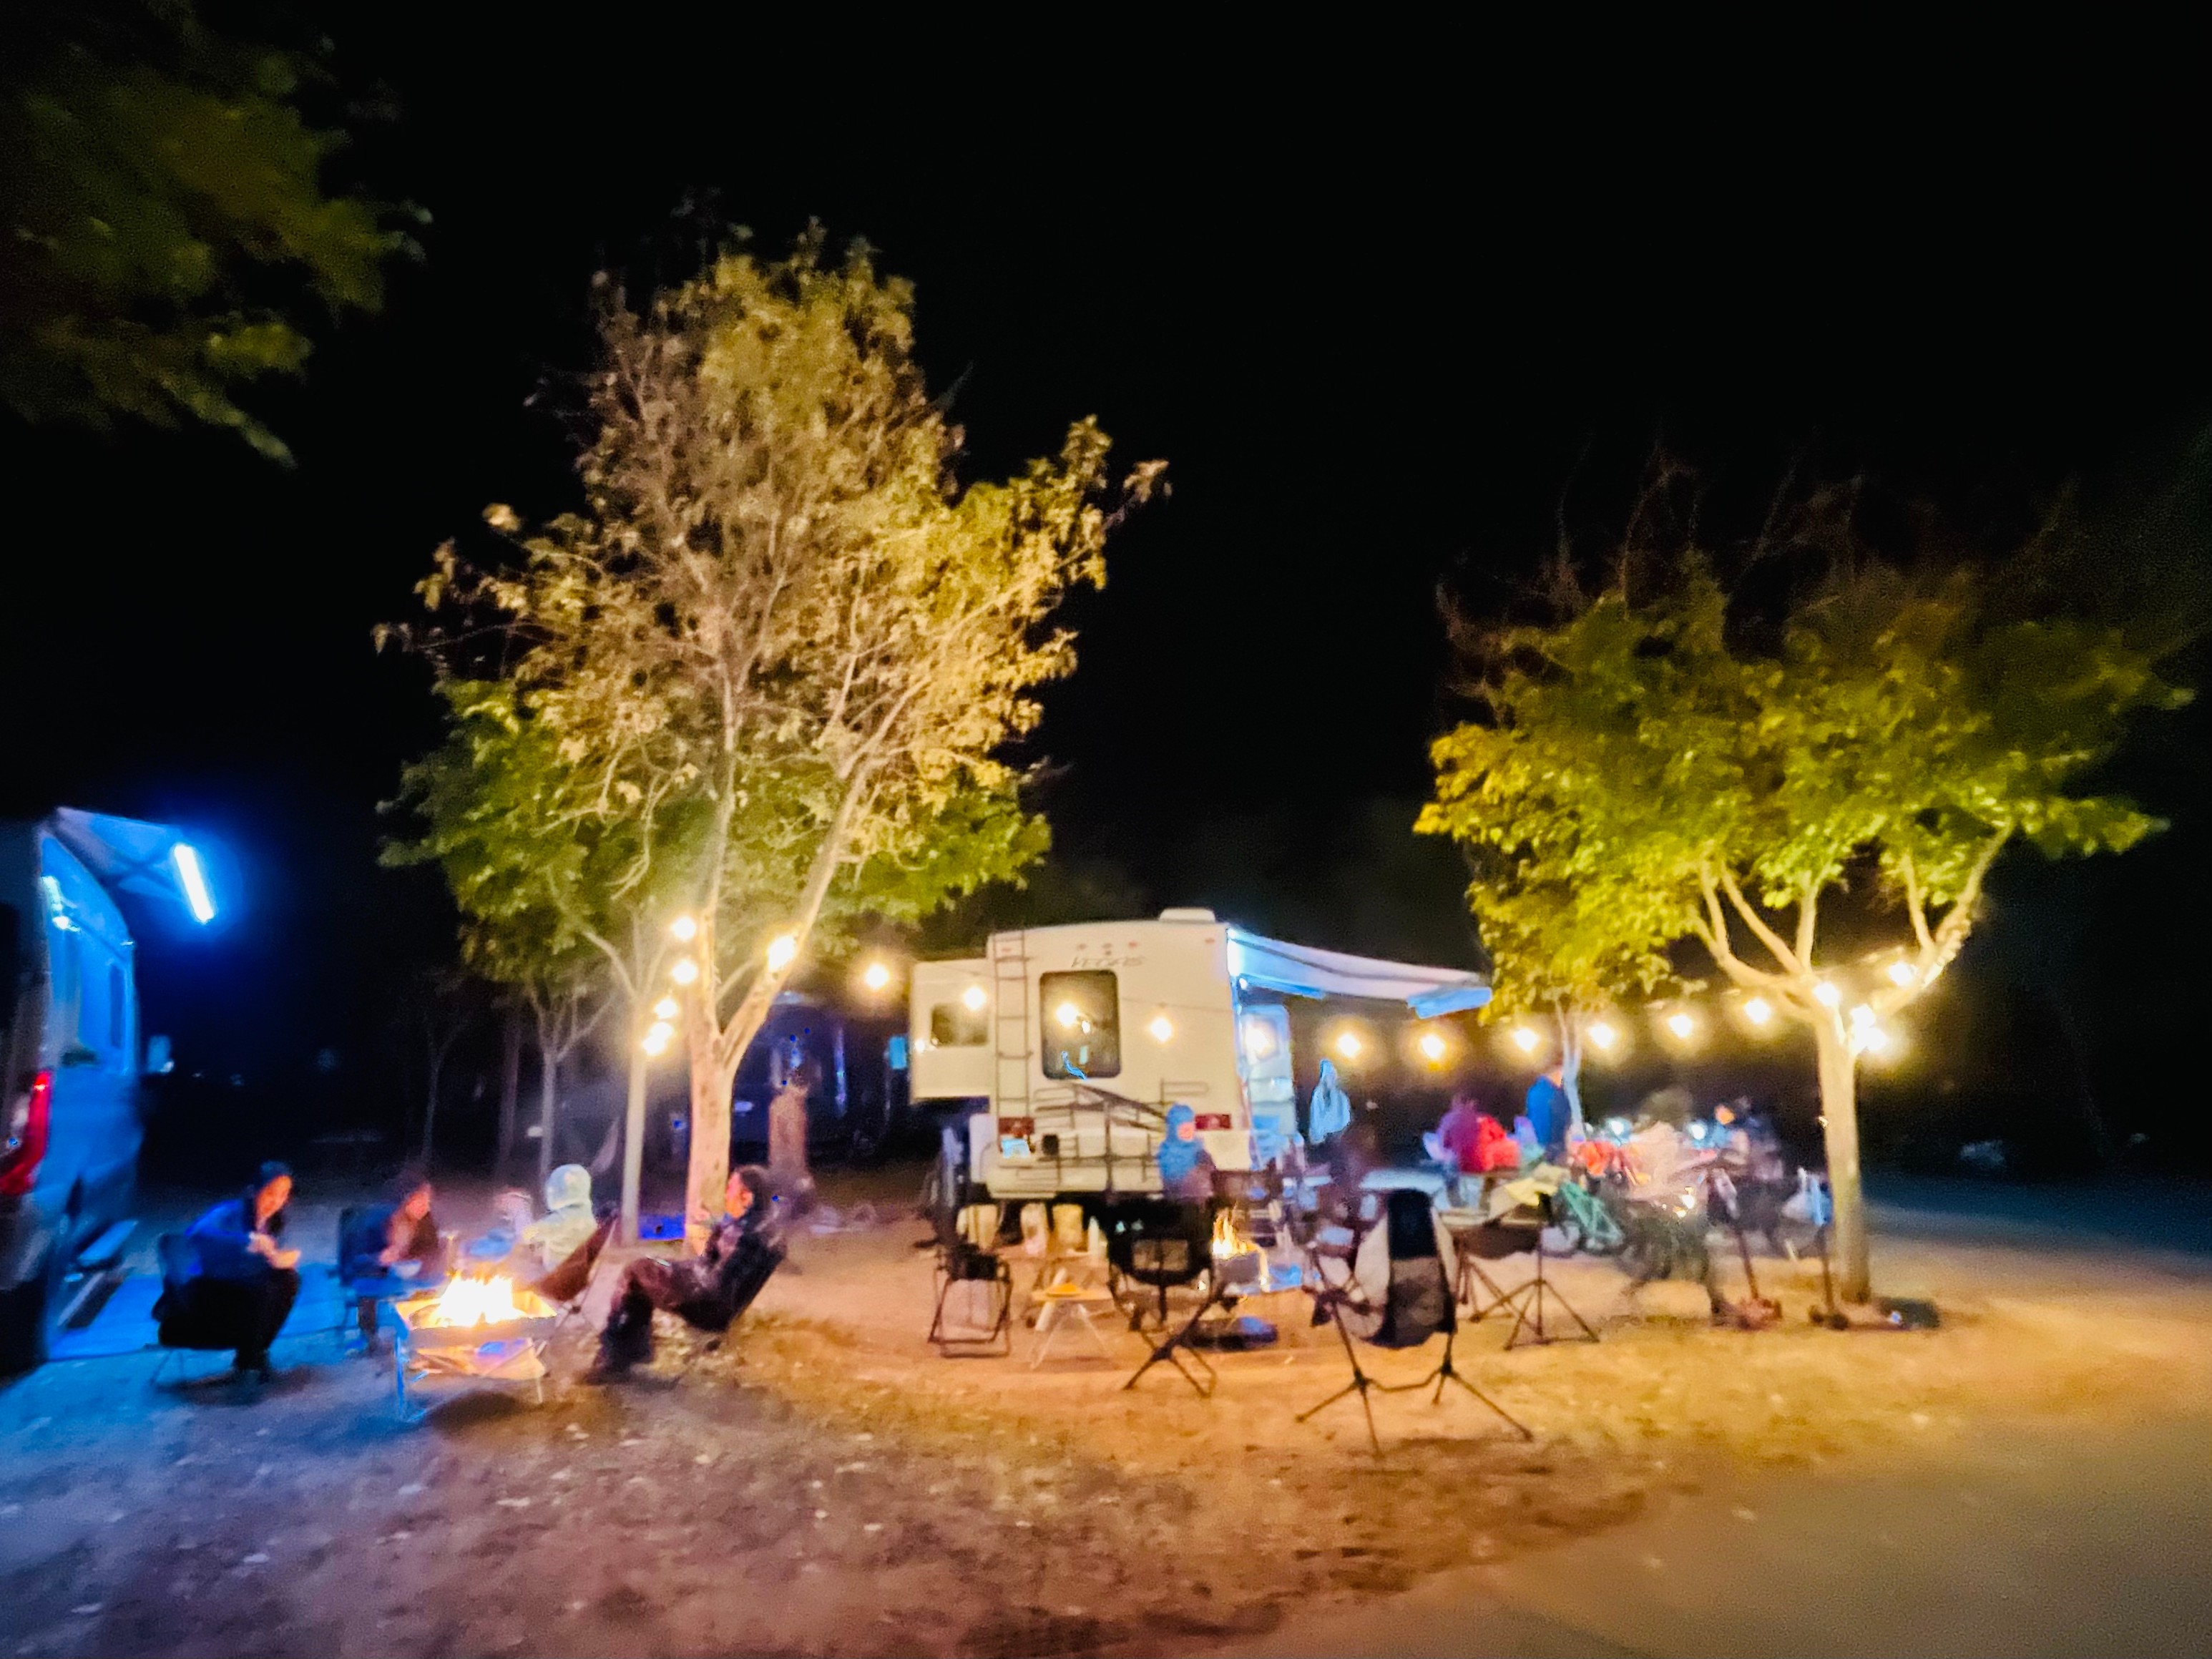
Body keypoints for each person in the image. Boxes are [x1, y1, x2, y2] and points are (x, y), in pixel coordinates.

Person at [588, 1166, 781, 1379]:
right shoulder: (770, 1230)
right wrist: (713, 1227)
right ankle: (635, 1344)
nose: (726, 1195)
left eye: (730, 1189)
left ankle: (618, 1357)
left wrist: (679, 1270)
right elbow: (732, 1254)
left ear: (746, 1197)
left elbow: (711, 1279)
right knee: (654, 1270)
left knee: (636, 1271)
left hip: (708, 1306)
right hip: (728, 1308)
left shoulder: (741, 1235)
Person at [162, 1162, 302, 1379]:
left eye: (283, 1195)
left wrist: (279, 1259)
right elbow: (198, 1233)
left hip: (241, 1288)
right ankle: (249, 1360)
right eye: (270, 1193)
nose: (276, 1201)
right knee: (261, 1288)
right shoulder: (230, 1212)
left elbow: (261, 1261)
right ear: (255, 1190)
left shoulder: (272, 1222)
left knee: (288, 1280)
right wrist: (246, 1240)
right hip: (207, 1289)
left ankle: (255, 1352)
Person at [339, 1170, 446, 1346]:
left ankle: (420, 1329)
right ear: (405, 1199)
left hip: (402, 1271)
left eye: (428, 1200)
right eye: (420, 1200)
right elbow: (353, 1261)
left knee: (433, 1279)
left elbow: (432, 1249)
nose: (426, 1206)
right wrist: (377, 1258)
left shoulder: (424, 1219)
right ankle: (368, 1336)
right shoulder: (377, 1221)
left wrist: (426, 1257)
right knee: (369, 1281)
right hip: (365, 1271)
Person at [516, 1163, 598, 1276]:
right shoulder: (588, 1217)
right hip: (581, 1269)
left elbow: (528, 1234)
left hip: (558, 1273)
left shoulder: (560, 1221)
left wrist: (519, 1210)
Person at [1156, 1103, 1216, 1203]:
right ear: (1173, 1130)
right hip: (1178, 1208)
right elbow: (1173, 1183)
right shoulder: (1167, 1153)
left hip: (1203, 1207)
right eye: (1183, 1129)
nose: (1188, 1132)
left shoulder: (1200, 1150)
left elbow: (1215, 1180)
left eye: (1190, 1127)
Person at [1434, 1093, 1485, 1206]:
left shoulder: (1449, 1118)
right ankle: (1483, 1203)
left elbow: (1444, 1142)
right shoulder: (1478, 1118)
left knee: (1449, 1172)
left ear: (1457, 1103)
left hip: (1457, 1160)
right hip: (1478, 1160)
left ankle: (1456, 1206)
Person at [1523, 1060, 1571, 1162]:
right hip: (1555, 1149)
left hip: (1538, 1149)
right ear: (1557, 1072)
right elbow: (1565, 1122)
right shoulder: (1555, 1094)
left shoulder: (1534, 1091)